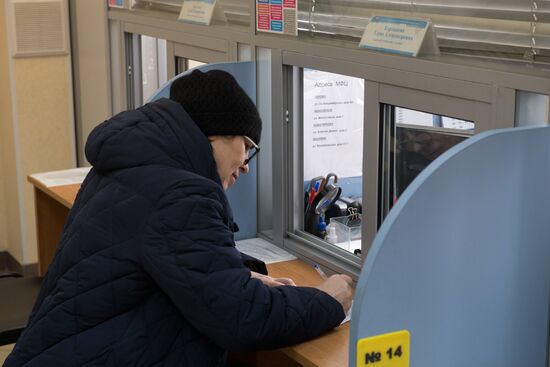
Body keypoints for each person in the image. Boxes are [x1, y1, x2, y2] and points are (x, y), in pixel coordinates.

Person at [3, 69, 353, 367]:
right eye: (247, 146)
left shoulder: (133, 164)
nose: (246, 164)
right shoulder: (183, 193)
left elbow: (161, 254)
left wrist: (238, 274)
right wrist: (327, 300)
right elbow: (241, 317)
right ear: (217, 133)